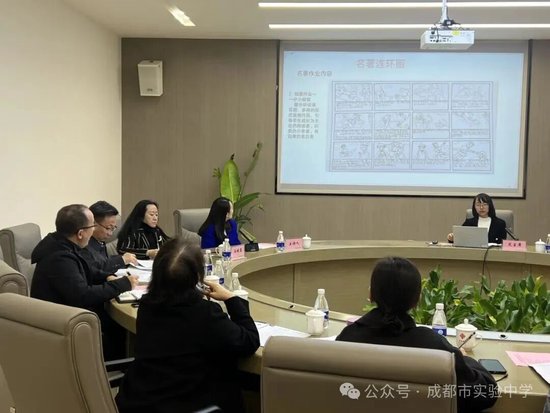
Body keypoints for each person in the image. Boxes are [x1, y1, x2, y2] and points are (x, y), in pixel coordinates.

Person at [336, 257, 498, 413]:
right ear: (417, 300)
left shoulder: (348, 338)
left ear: (371, 294)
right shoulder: (433, 346)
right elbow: (487, 392)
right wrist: (463, 358)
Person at [115, 239, 259, 413]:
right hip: (189, 404)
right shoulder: (204, 313)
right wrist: (232, 298)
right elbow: (250, 341)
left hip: (140, 402)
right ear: (197, 276)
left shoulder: (146, 305)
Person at [31, 204, 139, 360]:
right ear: (81, 233)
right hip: (65, 324)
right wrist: (123, 284)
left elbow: (88, 269)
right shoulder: (60, 258)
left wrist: (106, 277)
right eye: (92, 225)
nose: (94, 229)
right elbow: (83, 296)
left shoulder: (64, 244)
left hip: (72, 315)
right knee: (121, 328)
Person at [83, 200, 138, 275]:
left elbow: (104, 260)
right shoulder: (84, 243)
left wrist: (123, 258)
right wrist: (121, 260)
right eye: (108, 228)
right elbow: (95, 267)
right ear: (93, 224)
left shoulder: (99, 240)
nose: (110, 234)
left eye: (113, 228)